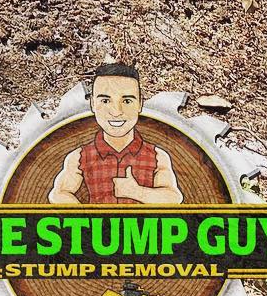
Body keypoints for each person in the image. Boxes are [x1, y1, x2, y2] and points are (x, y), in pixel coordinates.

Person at [47, 62, 183, 206]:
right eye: (105, 100)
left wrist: (136, 192)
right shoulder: (80, 156)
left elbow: (173, 198)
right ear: (93, 104)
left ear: (140, 104)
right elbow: (58, 194)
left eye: (127, 101)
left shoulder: (157, 156)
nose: (116, 111)